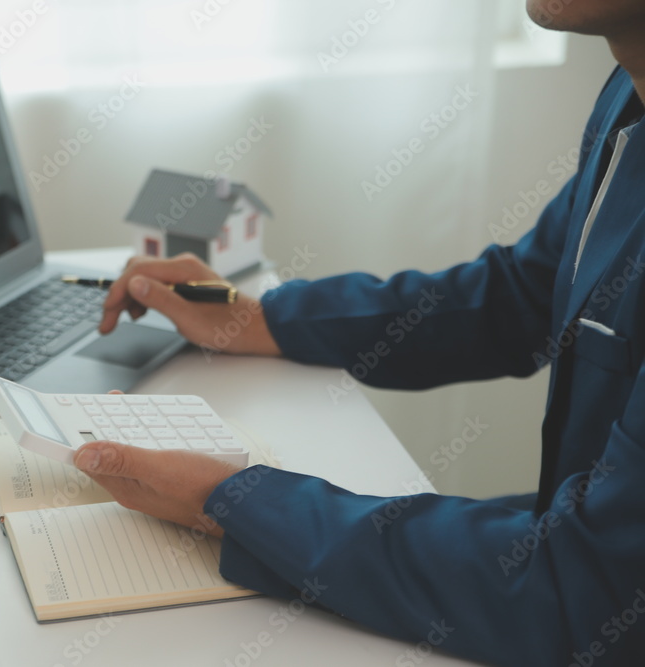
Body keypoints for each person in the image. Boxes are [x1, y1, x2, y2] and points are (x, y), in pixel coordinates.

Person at [71, 2, 645, 665]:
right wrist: (262, 318)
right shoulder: (625, 99)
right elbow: (520, 294)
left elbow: (578, 585)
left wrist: (227, 497)